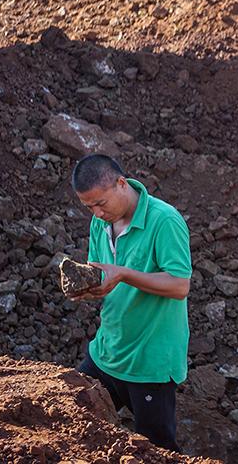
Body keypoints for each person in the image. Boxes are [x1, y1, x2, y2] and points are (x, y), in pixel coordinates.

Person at [70, 154, 192, 451]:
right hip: (107, 353)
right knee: (71, 420)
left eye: (101, 203)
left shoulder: (164, 221)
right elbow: (102, 274)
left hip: (150, 363)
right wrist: (90, 289)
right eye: (89, 207)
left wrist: (124, 274)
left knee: (156, 450)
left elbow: (179, 285)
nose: (96, 213)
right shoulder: (101, 222)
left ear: (121, 184)